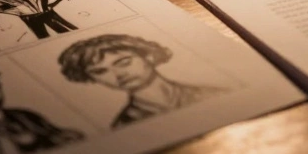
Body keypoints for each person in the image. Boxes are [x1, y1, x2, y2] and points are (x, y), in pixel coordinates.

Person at [59, 34, 227, 128]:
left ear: (148, 55)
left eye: (124, 62)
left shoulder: (213, 94)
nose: (118, 74)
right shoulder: (124, 126)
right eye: (100, 71)